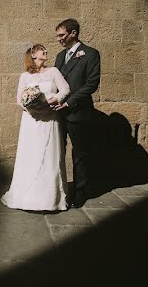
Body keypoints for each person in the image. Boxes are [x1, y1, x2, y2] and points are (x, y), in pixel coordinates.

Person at [0, 44, 71, 211]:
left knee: (50, 155)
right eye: (41, 49)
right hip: (31, 121)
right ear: (33, 55)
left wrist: (55, 99)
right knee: (30, 154)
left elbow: (66, 89)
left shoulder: (53, 71)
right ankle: (28, 196)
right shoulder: (25, 76)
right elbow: (20, 99)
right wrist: (31, 107)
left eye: (45, 50)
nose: (45, 51)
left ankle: (50, 199)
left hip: (50, 119)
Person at [50, 18, 101, 209]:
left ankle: (80, 193)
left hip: (78, 113)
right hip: (58, 114)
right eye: (57, 36)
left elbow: (91, 84)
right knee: (57, 152)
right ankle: (60, 190)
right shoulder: (59, 57)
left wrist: (69, 102)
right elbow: (56, 83)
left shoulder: (91, 54)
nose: (59, 39)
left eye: (61, 35)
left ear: (73, 33)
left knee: (79, 154)